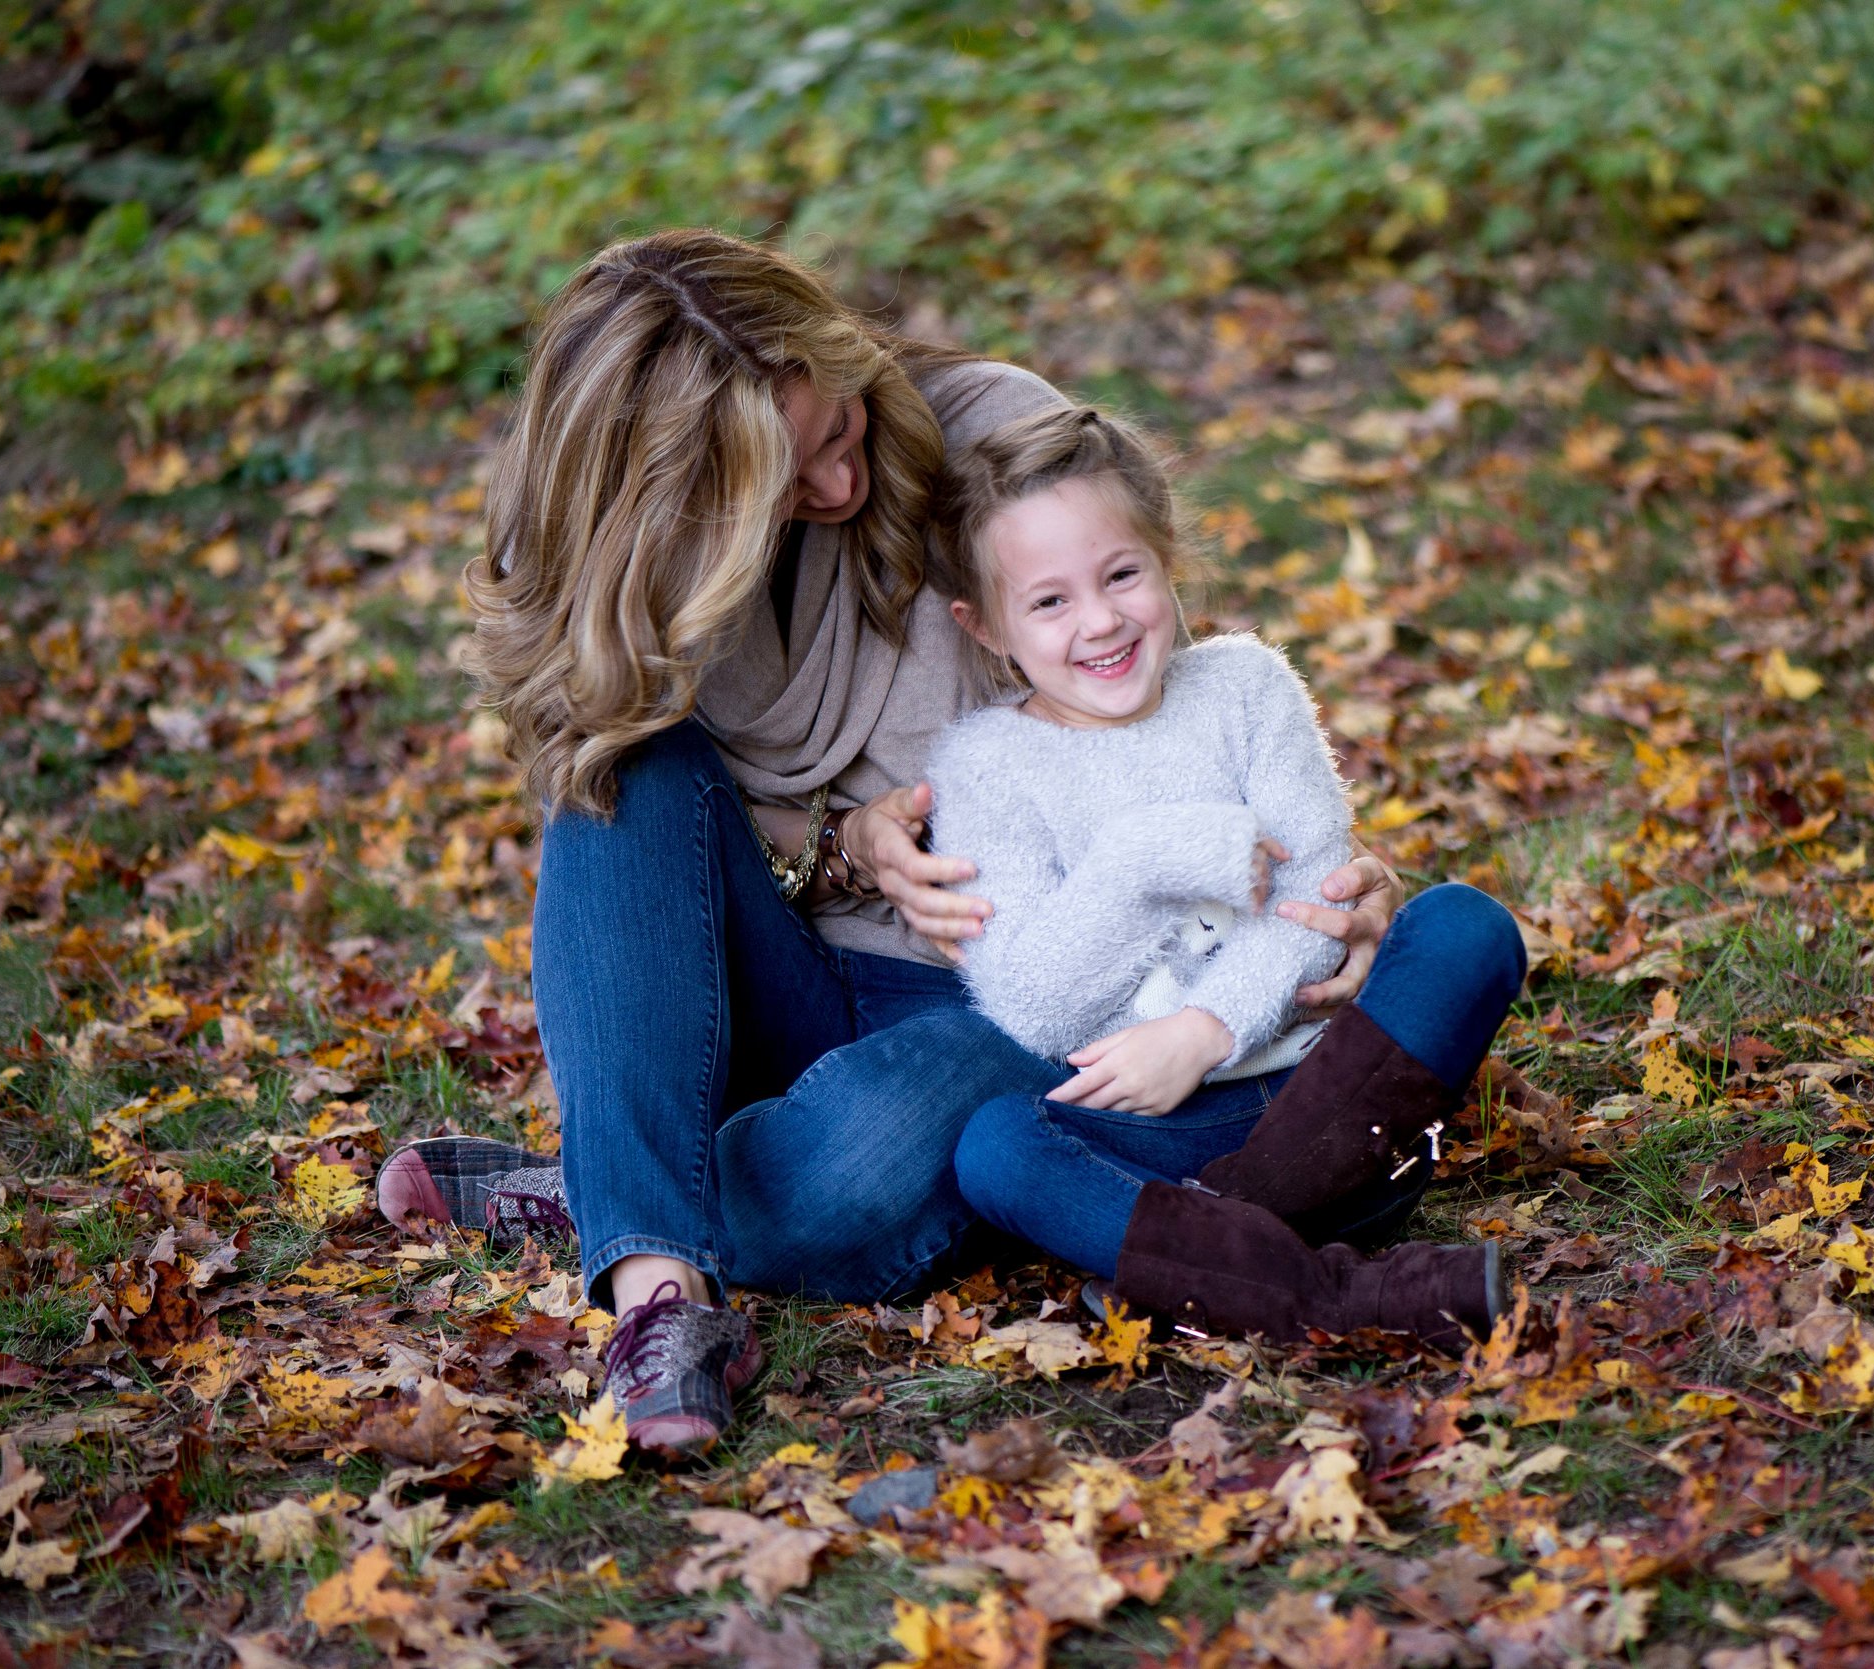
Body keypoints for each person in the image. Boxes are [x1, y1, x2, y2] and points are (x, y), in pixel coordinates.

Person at [368, 230, 1404, 1452]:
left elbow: (1165, 709)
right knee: (619, 769)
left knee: (847, 1175)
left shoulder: (989, 442)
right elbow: (659, 868)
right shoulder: (638, 583)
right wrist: (843, 841)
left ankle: (618, 1188)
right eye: (777, 489)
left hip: (1011, 998)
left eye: (840, 430)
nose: (836, 491)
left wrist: (1328, 887)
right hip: (777, 988)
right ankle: (662, 1300)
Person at [926, 404, 1529, 1345]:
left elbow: (1321, 891)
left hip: (1327, 1087)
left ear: (1167, 560)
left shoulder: (1246, 686)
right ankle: (1333, 1292)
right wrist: (1148, 856)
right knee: (996, 1147)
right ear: (986, 626)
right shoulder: (985, 766)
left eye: (1122, 574)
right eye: (1049, 601)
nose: (1100, 620)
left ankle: (1219, 1246)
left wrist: (1206, 1031)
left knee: (1465, 928)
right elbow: (1036, 1004)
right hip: (1154, 1132)